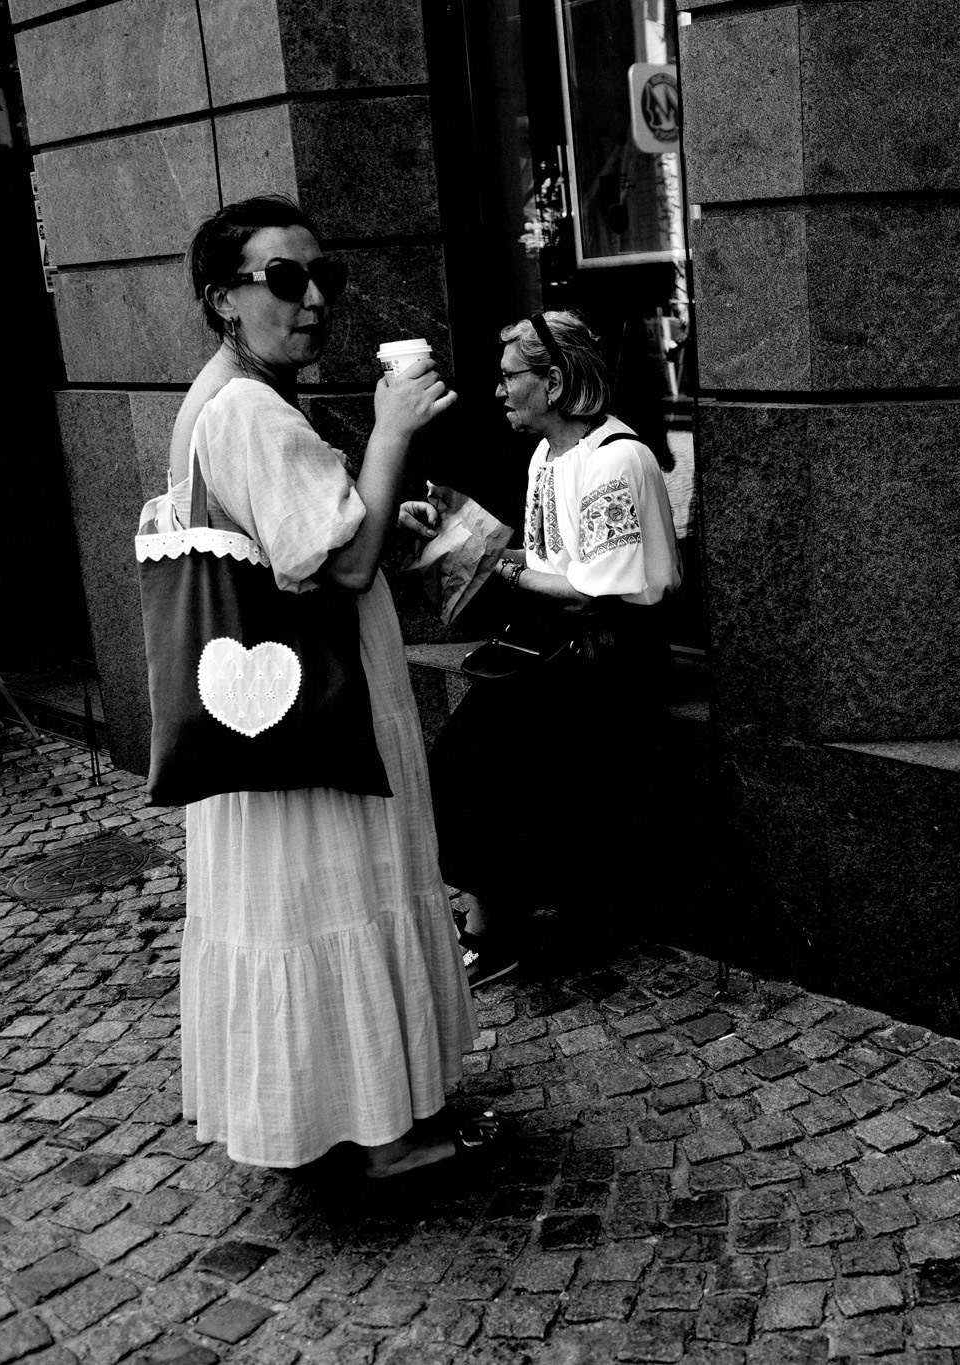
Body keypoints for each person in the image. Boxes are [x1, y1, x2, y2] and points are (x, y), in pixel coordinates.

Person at [160, 195, 476, 1177]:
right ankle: (383, 1134)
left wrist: (374, 511)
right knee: (346, 885)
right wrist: (390, 433)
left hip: (263, 709)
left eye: (322, 276)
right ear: (222, 298)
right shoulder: (250, 409)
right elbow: (342, 565)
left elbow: (293, 536)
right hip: (318, 708)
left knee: (294, 904)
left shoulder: (214, 395)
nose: (312, 300)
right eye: (284, 279)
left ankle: (327, 1117)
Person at [409, 311, 681, 979]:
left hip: (612, 655)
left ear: (553, 382)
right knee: (462, 758)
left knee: (486, 755)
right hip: (560, 647)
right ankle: (497, 913)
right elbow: (549, 559)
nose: (499, 391)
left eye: (510, 377)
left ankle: (495, 926)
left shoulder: (617, 459)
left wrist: (502, 568)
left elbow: (592, 592)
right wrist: (463, 534)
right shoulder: (546, 455)